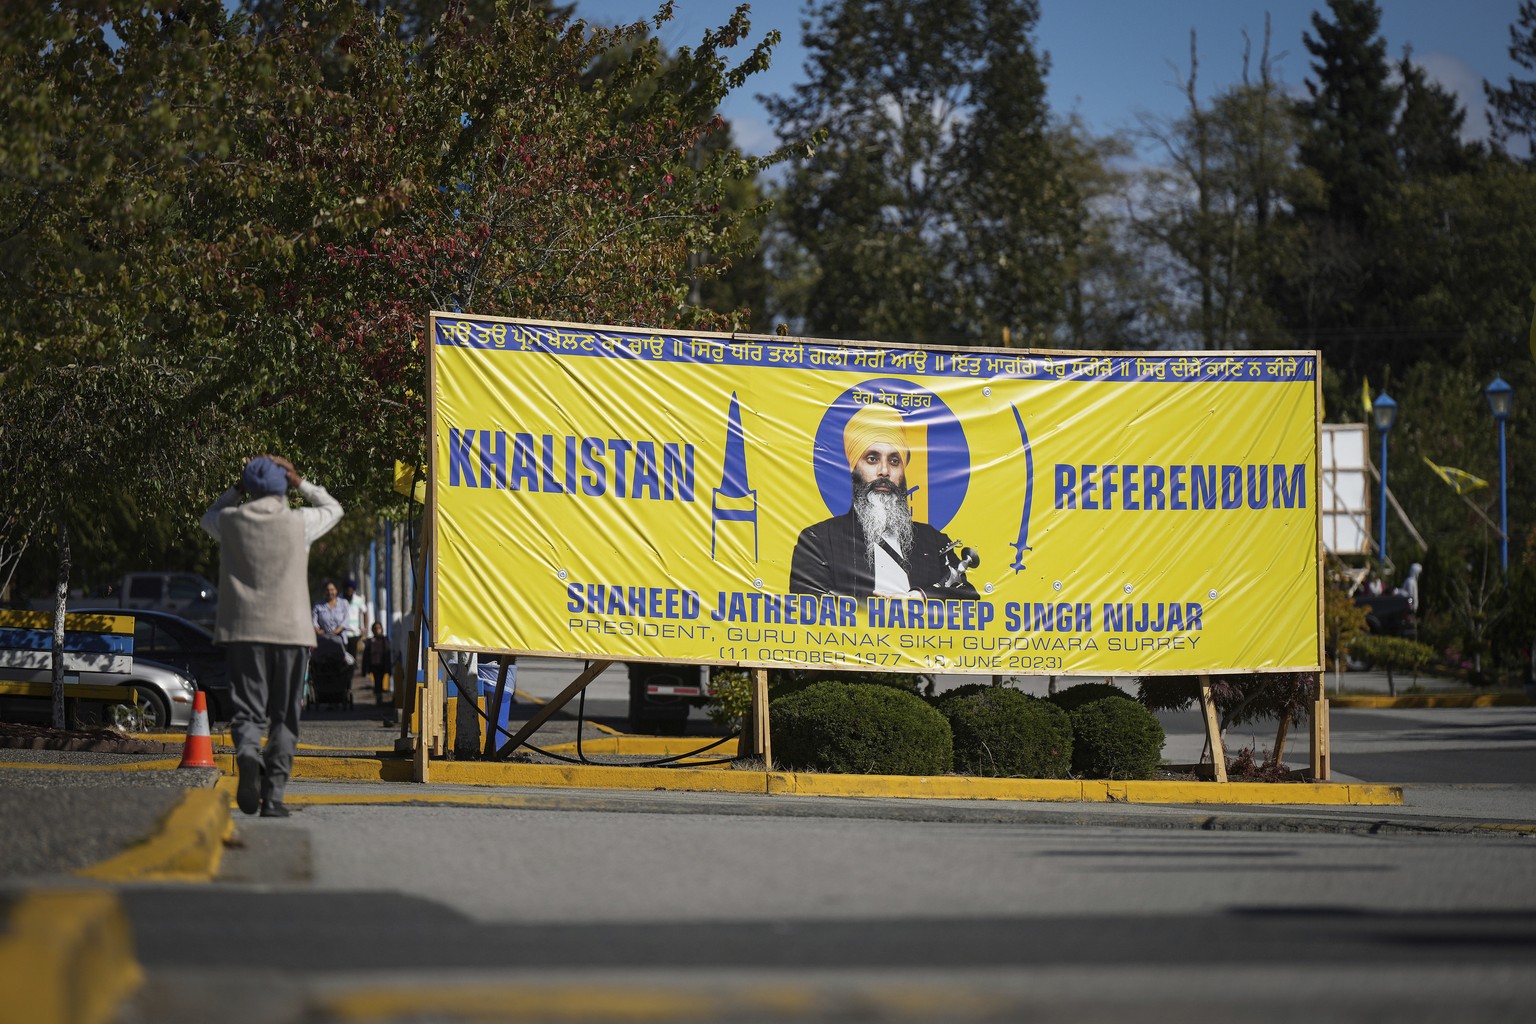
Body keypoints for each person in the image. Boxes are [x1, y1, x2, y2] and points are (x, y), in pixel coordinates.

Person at [200, 454, 342, 818]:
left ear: (249, 488)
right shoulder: (300, 523)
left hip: (244, 632)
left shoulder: (231, 522)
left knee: (248, 710)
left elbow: (208, 516)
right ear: (283, 487)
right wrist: (300, 481)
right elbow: (333, 507)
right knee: (285, 716)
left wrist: (236, 488)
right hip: (292, 634)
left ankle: (248, 753)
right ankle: (274, 796)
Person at [790, 404, 977, 599]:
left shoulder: (932, 541)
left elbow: (968, 597)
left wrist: (921, 597)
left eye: (894, 461)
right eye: (872, 459)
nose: (885, 471)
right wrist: (870, 608)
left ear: (903, 472)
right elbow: (806, 603)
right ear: (854, 468)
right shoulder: (818, 541)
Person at [341, 578, 369, 677]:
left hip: (354, 633)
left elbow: (365, 612)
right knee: (342, 658)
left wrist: (365, 628)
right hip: (342, 633)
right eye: (348, 589)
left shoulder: (358, 600)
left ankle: (350, 678)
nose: (349, 591)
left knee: (352, 658)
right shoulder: (340, 599)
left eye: (351, 590)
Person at [361, 621, 391, 710]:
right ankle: (378, 697)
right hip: (373, 665)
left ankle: (379, 696)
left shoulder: (384, 640)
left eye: (379, 628)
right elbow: (366, 656)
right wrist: (364, 669)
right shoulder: (370, 641)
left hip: (382, 664)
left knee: (380, 681)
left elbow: (388, 653)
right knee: (377, 681)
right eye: (375, 628)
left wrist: (388, 667)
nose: (377, 630)